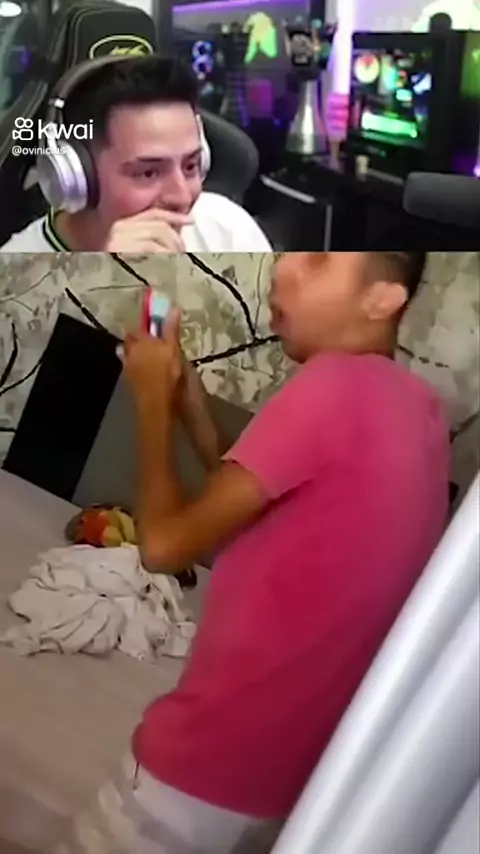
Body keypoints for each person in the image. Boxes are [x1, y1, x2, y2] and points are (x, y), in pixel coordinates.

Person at [58, 252, 450, 854]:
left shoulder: (334, 384)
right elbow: (256, 497)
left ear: (383, 299)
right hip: (287, 789)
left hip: (205, 763)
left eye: (317, 261)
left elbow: (161, 547)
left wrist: (149, 402)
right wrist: (189, 405)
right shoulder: (418, 411)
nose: (282, 269)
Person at [0, 56, 271, 253]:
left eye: (190, 166)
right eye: (148, 173)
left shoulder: (228, 229)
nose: (182, 197)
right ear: (78, 178)